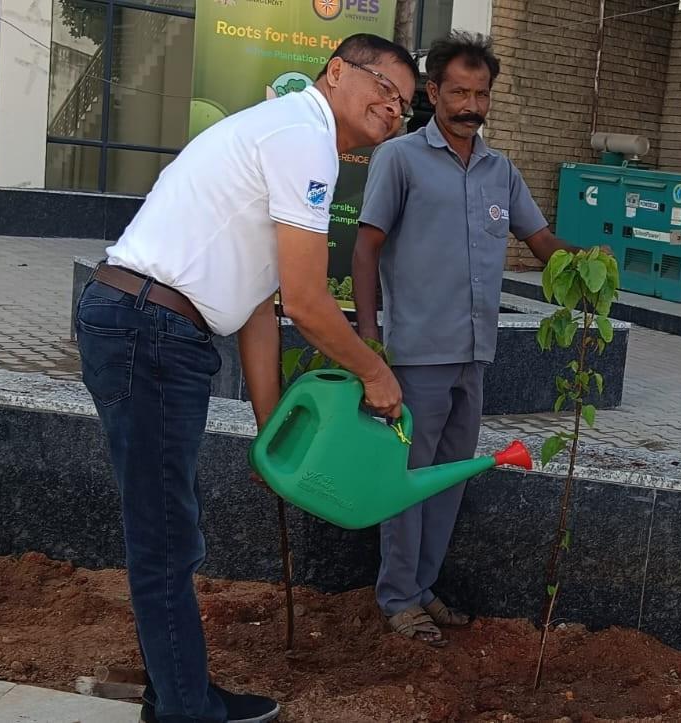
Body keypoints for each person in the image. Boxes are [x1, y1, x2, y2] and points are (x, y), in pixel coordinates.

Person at [74, 34, 417, 723]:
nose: (392, 108)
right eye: (385, 88)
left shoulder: (291, 133)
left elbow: (263, 306)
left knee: (166, 526)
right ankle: (185, 709)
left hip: (148, 324)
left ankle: (177, 696)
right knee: (165, 533)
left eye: (405, 106)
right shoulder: (302, 136)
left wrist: (271, 436)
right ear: (336, 71)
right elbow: (310, 305)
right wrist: (374, 371)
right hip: (151, 327)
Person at [353, 31, 589, 645]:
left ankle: (423, 586)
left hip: (474, 355)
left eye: (481, 94)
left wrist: (590, 264)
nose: (470, 106)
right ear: (433, 93)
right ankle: (398, 597)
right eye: (458, 92)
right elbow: (366, 249)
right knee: (407, 479)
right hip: (414, 356)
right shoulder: (399, 159)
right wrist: (369, 344)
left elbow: (541, 242)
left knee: (450, 478)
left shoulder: (499, 170)